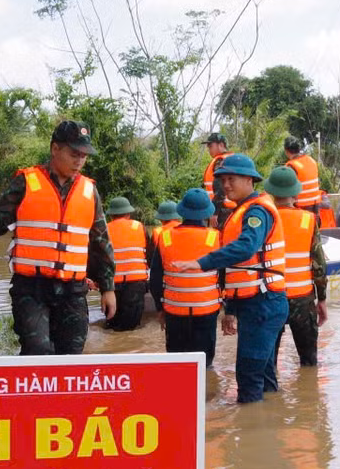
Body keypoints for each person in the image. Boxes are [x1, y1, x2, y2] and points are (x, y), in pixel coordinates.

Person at [0, 119, 117, 355]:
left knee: (71, 358)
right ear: (55, 149)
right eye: (74, 153)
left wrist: (108, 288)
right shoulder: (26, 182)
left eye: (84, 155)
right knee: (38, 352)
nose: (80, 160)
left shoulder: (89, 191)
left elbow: (101, 242)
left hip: (74, 292)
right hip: (31, 290)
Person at [170, 154, 289, 403]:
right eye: (222, 180)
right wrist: (231, 309)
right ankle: (271, 426)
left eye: (231, 179)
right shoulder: (241, 211)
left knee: (248, 377)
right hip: (254, 303)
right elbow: (240, 269)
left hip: (263, 303)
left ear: (249, 180)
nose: (225, 185)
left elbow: (247, 247)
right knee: (263, 375)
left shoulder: (257, 211)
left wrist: (201, 262)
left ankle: (251, 433)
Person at [262, 166, 327, 366]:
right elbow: (318, 264)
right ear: (296, 192)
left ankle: (271, 396)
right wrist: (322, 299)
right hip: (303, 299)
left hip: (271, 297)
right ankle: (309, 395)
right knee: (309, 363)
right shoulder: (308, 220)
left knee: (268, 363)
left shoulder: (264, 219)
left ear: (271, 192)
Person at [150, 189, 221, 367]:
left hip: (175, 312)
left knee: (177, 365)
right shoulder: (215, 237)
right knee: (205, 365)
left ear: (181, 211)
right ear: (207, 213)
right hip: (206, 311)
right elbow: (225, 276)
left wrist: (160, 308)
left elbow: (155, 279)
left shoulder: (165, 237)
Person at [104, 196, 149, 331]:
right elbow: (150, 255)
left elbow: (95, 258)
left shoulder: (103, 229)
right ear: (128, 214)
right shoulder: (140, 228)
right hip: (136, 285)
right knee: (131, 328)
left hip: (110, 286)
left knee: (112, 325)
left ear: (111, 215)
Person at [284, 135, 322, 215]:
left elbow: (286, 190)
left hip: (302, 207)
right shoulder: (311, 160)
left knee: (304, 227)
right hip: (316, 205)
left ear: (286, 151)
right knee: (314, 226)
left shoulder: (291, 166)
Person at [201, 132, 230, 200]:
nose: (209, 150)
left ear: (221, 145)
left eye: (211, 146)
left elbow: (219, 185)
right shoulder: (230, 158)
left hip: (221, 206)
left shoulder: (220, 161)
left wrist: (217, 205)